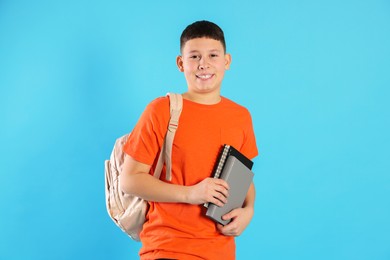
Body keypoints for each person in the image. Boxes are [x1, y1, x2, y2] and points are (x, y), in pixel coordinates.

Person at [120, 20, 258, 260]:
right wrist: (191, 193)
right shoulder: (161, 111)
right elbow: (130, 180)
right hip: (166, 249)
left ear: (226, 62)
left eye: (213, 55)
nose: (203, 64)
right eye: (194, 57)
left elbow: (243, 180)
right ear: (180, 63)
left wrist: (249, 211)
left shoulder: (241, 116)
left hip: (221, 252)